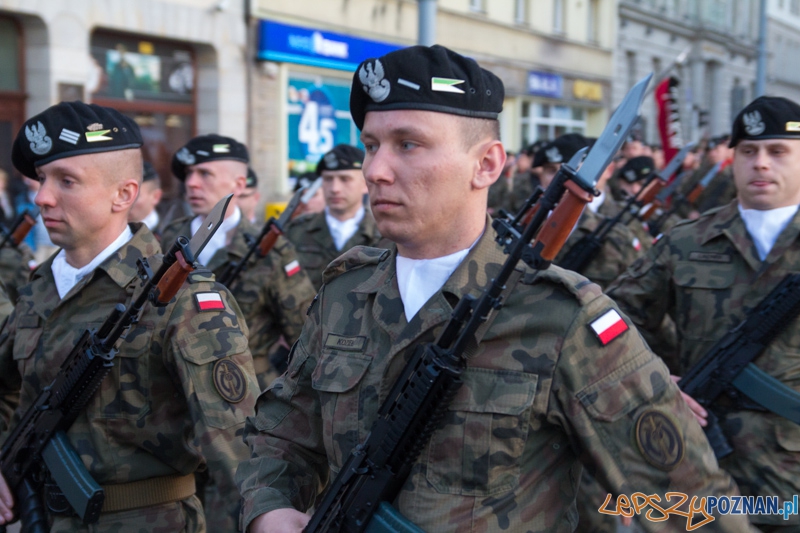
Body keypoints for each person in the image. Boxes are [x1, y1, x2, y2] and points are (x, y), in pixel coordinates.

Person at [235, 44, 749, 533]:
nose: (375, 170)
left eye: (408, 145)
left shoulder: (561, 315)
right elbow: (283, 433)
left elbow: (691, 504)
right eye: (371, 146)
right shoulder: (345, 292)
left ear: (486, 165)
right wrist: (270, 508)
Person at [0, 101, 258, 531]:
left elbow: (242, 449)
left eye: (67, 181)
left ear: (123, 194)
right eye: (42, 178)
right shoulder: (39, 289)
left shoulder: (181, 298)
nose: (42, 196)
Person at [608, 96, 800, 531]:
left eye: (778, 151)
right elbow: (608, 322)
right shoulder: (687, 241)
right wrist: (653, 381)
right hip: (699, 475)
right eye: (748, 151)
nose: (761, 163)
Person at [162, 134, 317, 391]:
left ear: (240, 184)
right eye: (188, 174)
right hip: (173, 389)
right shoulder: (170, 239)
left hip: (243, 388)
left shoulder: (270, 249)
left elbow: (306, 335)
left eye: (204, 174)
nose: (191, 183)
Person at [533, 133, 645, 290]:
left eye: (570, 172)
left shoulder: (618, 232)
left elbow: (635, 290)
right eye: (551, 171)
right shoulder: (526, 224)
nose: (559, 180)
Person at [284, 144, 382, 289]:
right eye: (328, 179)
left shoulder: (383, 234)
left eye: (345, 179)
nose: (335, 188)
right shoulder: (295, 231)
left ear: (365, 184)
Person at [127, 161, 164, 238]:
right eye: (123, 195)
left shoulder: (170, 236)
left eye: (135, 196)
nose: (125, 203)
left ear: (156, 197)